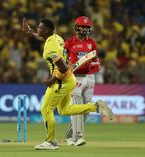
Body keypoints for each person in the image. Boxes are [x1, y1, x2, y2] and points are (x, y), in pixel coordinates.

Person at [22, 18, 114, 150]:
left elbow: (63, 68)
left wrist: (52, 80)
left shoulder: (50, 50)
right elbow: (47, 40)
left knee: (45, 109)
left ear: (47, 30)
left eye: (39, 28)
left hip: (61, 80)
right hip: (71, 80)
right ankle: (95, 107)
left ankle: (50, 142)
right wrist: (31, 32)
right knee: (64, 110)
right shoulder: (56, 38)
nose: (38, 29)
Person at [64, 16, 101, 146]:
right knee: (77, 106)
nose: (84, 29)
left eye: (86, 27)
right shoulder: (68, 43)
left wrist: (90, 65)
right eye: (82, 27)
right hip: (76, 78)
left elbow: (97, 62)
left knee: (86, 110)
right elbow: (62, 59)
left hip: (90, 78)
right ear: (76, 27)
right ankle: (78, 137)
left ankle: (68, 136)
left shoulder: (92, 43)